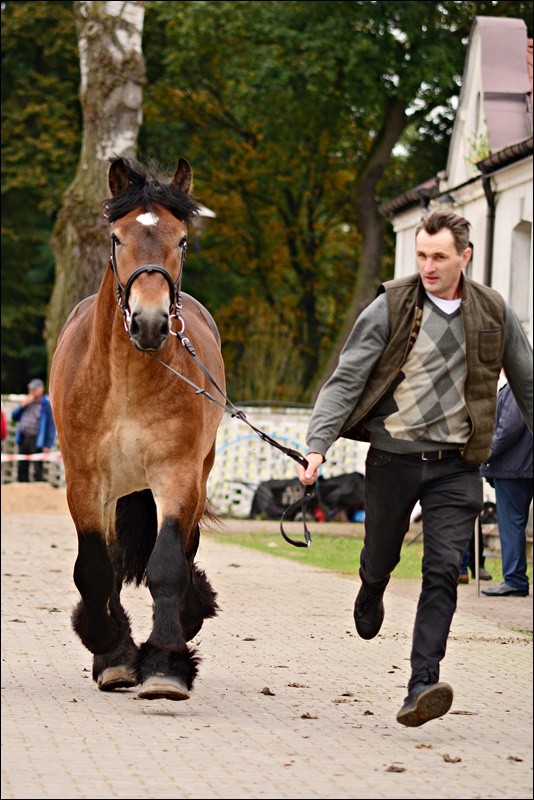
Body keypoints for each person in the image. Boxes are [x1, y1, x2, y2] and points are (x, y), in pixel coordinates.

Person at [296, 209, 533, 727]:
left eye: (439, 257)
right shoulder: (391, 306)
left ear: (464, 257)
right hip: (392, 458)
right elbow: (346, 379)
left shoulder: (493, 311)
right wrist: (318, 446)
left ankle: (422, 683)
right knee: (380, 554)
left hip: (456, 466)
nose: (428, 266)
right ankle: (372, 585)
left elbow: (528, 384)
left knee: (443, 569)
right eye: (422, 255)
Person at [480, 383, 533, 597]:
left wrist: (485, 453)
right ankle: (515, 578)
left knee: (511, 524)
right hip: (523, 466)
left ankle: (514, 580)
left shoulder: (518, 385)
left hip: (514, 468)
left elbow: (508, 427)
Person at [11, 378, 56, 482]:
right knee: (22, 467)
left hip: (36, 440)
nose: (31, 392)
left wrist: (47, 444)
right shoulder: (26, 402)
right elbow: (14, 417)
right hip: (23, 438)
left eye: (33, 389)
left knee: (37, 468)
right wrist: (21, 406)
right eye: (30, 389)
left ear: (40, 390)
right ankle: (22, 487)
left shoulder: (46, 404)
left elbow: (50, 426)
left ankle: (37, 489)